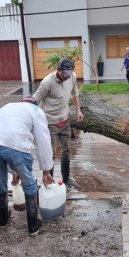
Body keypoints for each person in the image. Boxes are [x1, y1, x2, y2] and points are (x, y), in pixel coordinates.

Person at [0, 97, 54, 236]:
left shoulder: (8, 106)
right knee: (29, 185)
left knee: (0, 183)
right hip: (16, 146)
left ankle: (3, 220)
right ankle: (33, 226)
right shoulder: (36, 111)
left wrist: (14, 171)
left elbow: (2, 145)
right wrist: (46, 170)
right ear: (34, 104)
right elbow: (43, 141)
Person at [33, 58, 84, 191]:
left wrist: (78, 109)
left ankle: (66, 180)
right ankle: (48, 182)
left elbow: (74, 93)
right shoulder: (47, 83)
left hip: (65, 120)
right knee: (50, 154)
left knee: (66, 151)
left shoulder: (71, 76)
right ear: (58, 69)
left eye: (69, 74)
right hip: (50, 123)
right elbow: (34, 101)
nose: (67, 77)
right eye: (64, 74)